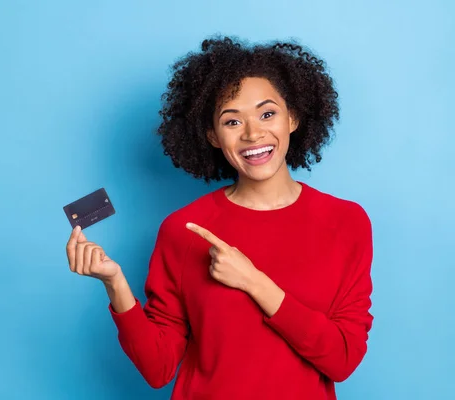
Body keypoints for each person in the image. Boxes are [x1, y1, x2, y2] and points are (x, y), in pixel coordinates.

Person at [65, 36, 373, 400]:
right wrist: (115, 283)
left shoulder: (345, 222)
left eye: (267, 113)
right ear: (212, 135)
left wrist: (254, 282)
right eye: (231, 121)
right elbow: (158, 368)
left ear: (293, 118)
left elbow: (342, 359)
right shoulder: (184, 229)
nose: (253, 133)